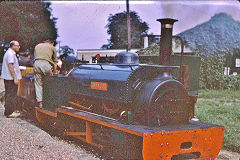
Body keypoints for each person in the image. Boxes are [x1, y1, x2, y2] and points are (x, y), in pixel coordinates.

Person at [33, 39, 58, 108]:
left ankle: (40, 103)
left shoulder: (37, 46)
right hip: (46, 64)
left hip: (36, 64)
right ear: (52, 42)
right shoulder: (52, 47)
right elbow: (55, 62)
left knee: (38, 84)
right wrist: (54, 72)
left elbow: (36, 57)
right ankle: (49, 102)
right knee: (49, 83)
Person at [1, 40, 22, 118]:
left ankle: (8, 111)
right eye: (18, 45)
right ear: (13, 46)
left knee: (8, 94)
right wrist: (15, 78)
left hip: (8, 78)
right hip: (10, 78)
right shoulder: (11, 54)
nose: (19, 47)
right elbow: (10, 66)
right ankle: (10, 113)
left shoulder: (9, 52)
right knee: (11, 95)